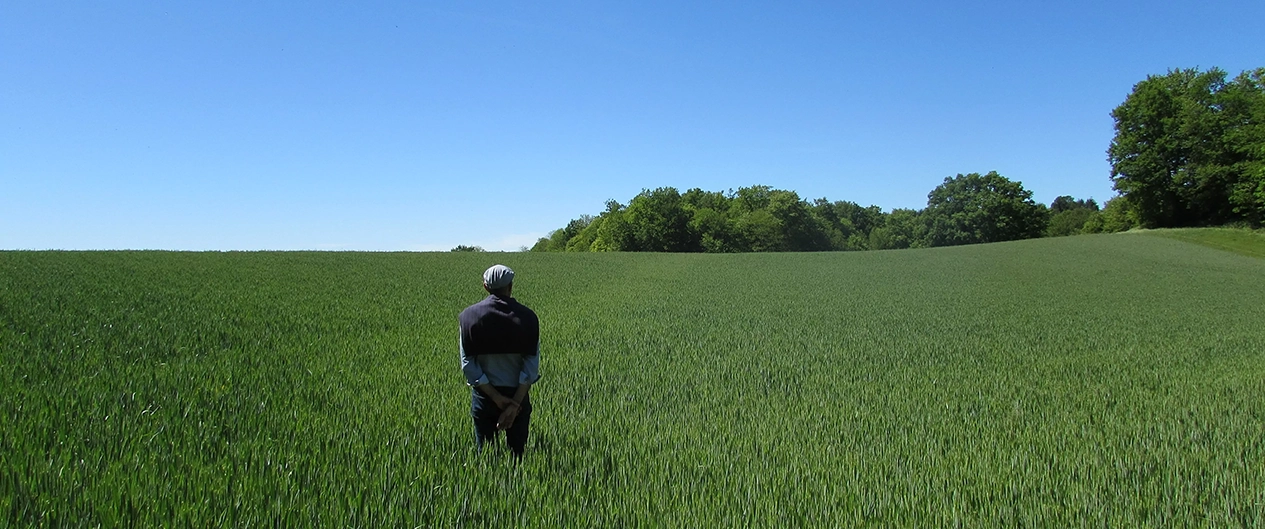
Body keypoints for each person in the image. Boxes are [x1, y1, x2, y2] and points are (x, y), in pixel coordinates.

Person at [459, 264, 540, 457]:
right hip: (517, 395)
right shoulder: (528, 318)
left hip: (485, 397)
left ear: (485, 287)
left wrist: (496, 398)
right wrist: (514, 405)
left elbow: (468, 364)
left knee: (486, 458)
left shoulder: (468, 317)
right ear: (511, 286)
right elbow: (531, 367)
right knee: (518, 456)